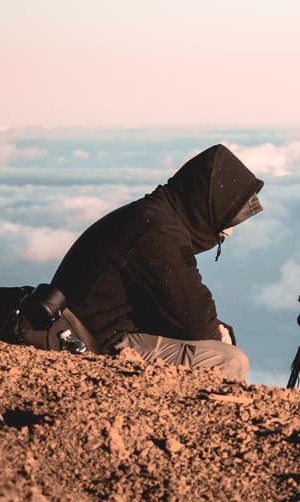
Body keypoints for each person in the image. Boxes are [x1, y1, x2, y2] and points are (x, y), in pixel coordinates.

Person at [51, 144, 264, 382]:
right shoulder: (158, 232)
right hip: (92, 343)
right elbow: (195, 323)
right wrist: (217, 332)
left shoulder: (152, 217)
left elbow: (181, 312)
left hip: (89, 333)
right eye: (227, 217)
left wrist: (216, 329)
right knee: (229, 360)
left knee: (219, 347)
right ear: (207, 204)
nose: (229, 231)